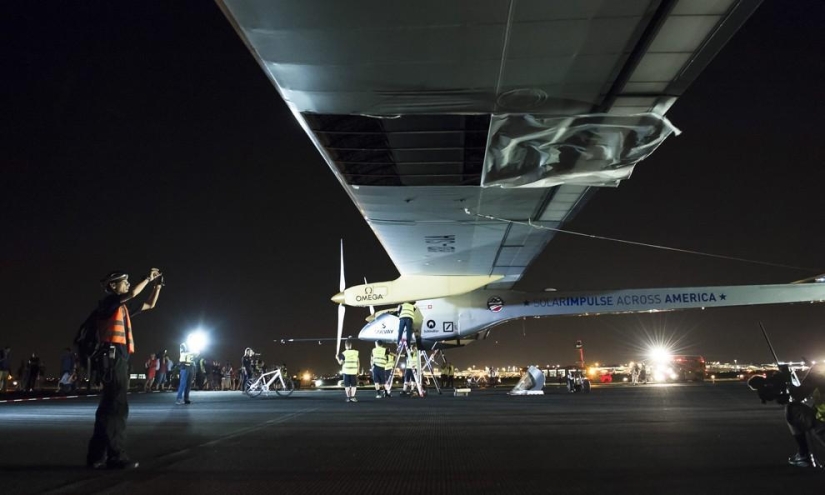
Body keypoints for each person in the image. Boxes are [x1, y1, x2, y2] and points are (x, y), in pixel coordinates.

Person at [86, 268, 162, 470]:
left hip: (118, 359)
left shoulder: (121, 308)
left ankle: (96, 456)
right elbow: (133, 294)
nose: (128, 284)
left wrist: (157, 286)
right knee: (117, 408)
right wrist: (146, 277)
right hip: (112, 360)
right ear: (113, 286)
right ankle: (115, 456)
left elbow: (149, 304)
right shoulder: (109, 302)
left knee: (108, 408)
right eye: (124, 281)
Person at [784, 364, 825, 468]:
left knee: (791, 408)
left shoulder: (819, 370)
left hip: (822, 420)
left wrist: (787, 380)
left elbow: (798, 394)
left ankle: (803, 454)